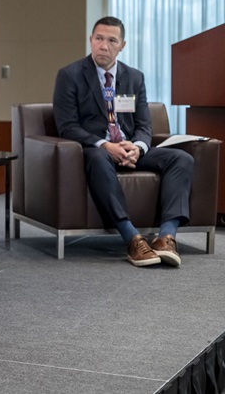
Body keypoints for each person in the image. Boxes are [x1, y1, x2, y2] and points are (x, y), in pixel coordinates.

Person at [53, 16, 193, 267]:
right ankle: (131, 238)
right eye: (98, 39)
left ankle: (167, 237)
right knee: (96, 157)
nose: (103, 46)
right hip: (98, 150)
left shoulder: (134, 77)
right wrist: (105, 145)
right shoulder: (70, 75)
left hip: (130, 148)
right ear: (90, 40)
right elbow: (67, 126)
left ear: (122, 45)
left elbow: (143, 125)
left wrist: (137, 147)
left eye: (111, 40)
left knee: (182, 158)